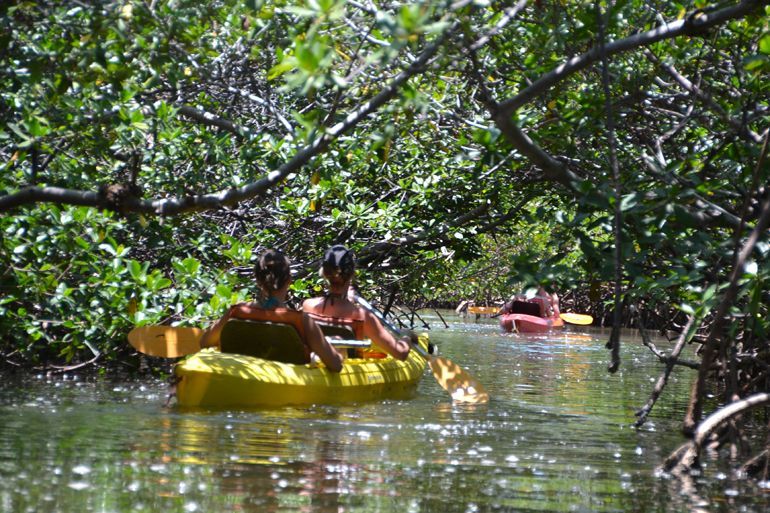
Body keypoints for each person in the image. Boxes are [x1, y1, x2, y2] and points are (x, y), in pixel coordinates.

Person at [199, 249, 344, 372]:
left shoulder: (237, 311)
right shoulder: (301, 320)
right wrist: (339, 351)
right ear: (289, 280)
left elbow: (205, 342)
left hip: (241, 377)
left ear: (257, 279)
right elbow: (335, 365)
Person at [302, 245, 411, 361]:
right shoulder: (363, 316)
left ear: (323, 273)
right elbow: (401, 354)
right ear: (352, 273)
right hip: (341, 367)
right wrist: (406, 338)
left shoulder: (307, 305)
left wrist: (347, 299)